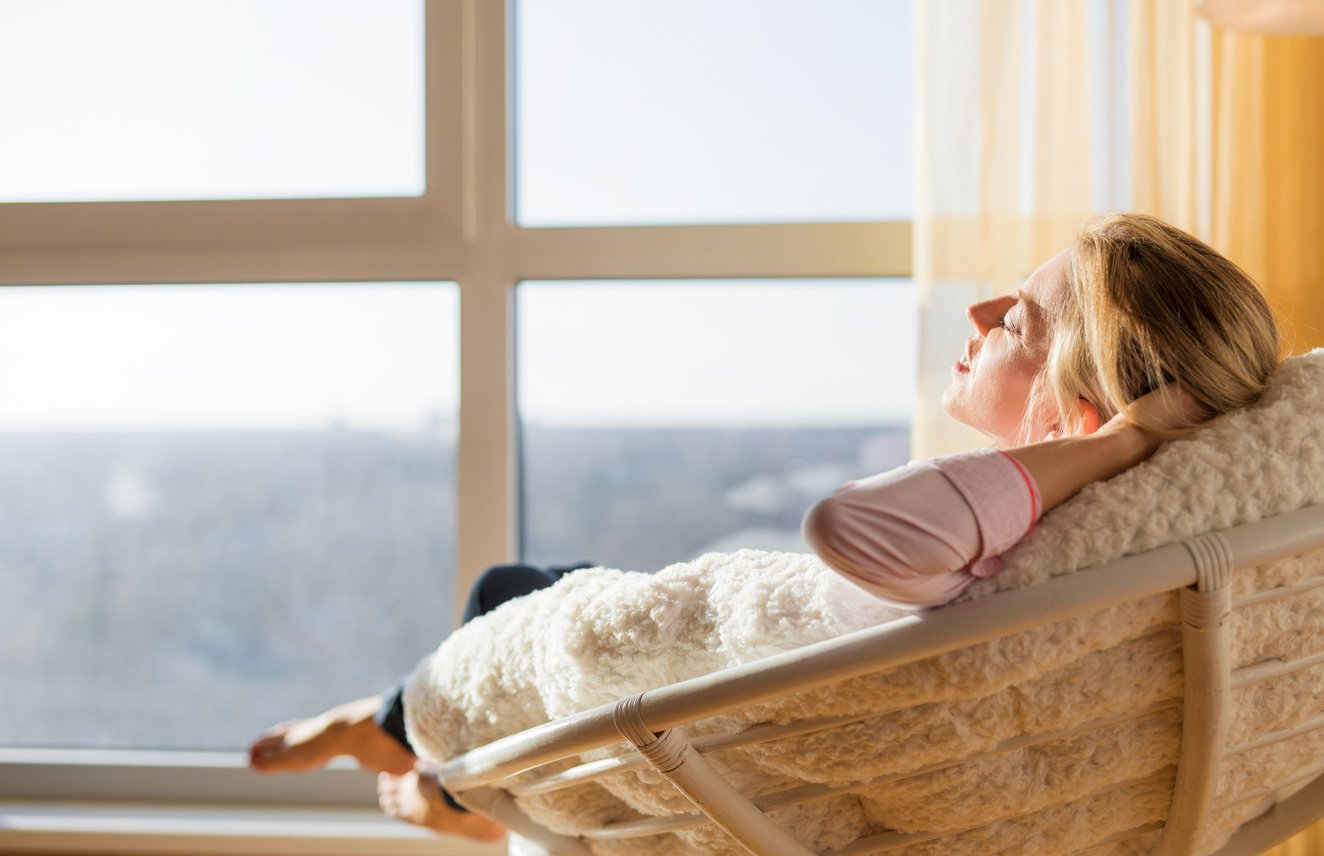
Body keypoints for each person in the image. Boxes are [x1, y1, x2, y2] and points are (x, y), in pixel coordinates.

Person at [248, 212, 1281, 840]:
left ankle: (400, 747)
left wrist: (1111, 448)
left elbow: (851, 529)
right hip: (757, 700)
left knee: (504, 594)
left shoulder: (1046, 512)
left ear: (1077, 413)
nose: (978, 313)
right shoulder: (1112, 542)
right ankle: (419, 768)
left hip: (705, 735)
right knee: (531, 584)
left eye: (1015, 321)